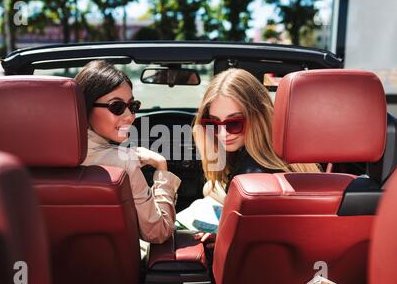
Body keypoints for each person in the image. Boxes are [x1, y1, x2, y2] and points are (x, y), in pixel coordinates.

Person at [176, 68, 320, 234]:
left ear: (258, 117)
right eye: (214, 124)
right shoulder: (288, 154)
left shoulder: (252, 177)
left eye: (234, 123)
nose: (223, 134)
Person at [75, 60, 181, 245]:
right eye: (116, 107)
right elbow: (158, 232)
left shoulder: (39, 157)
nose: (130, 116)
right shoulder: (124, 163)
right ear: (85, 106)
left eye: (133, 106)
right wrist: (162, 167)